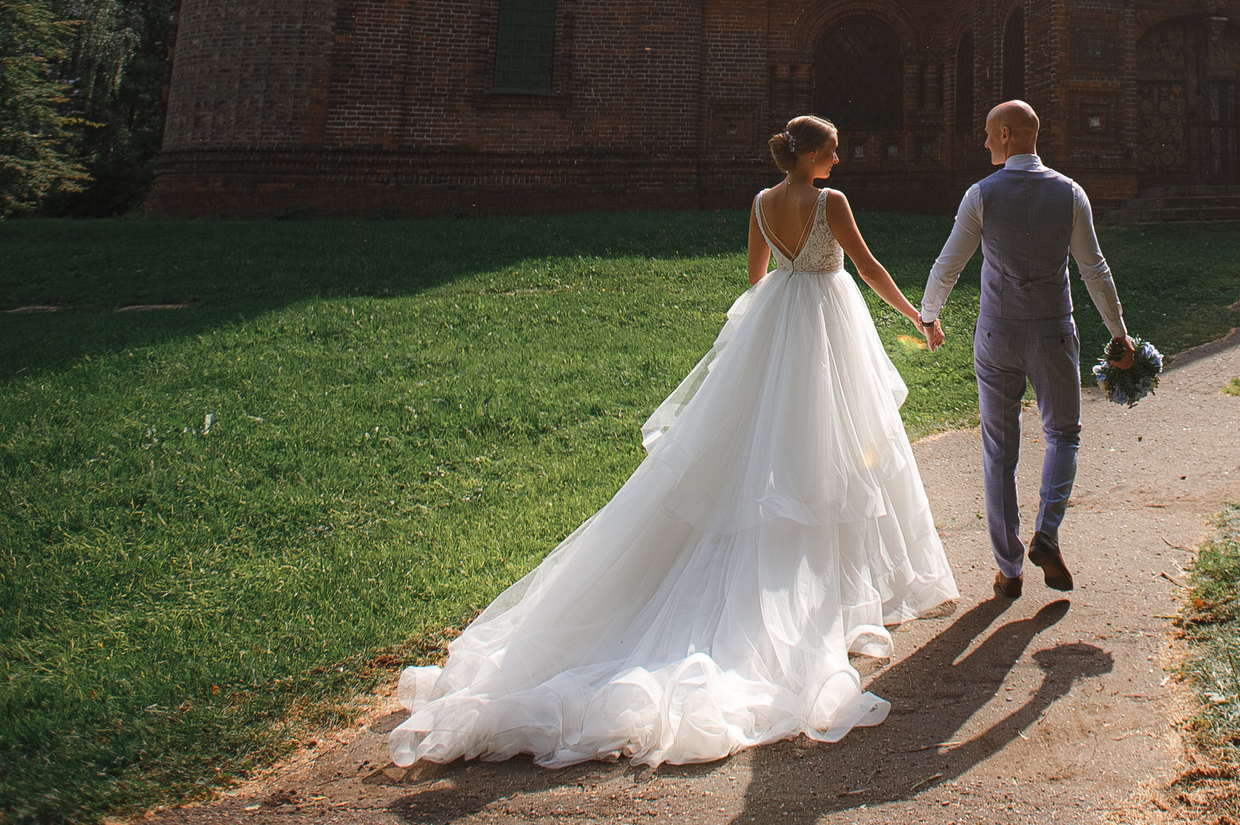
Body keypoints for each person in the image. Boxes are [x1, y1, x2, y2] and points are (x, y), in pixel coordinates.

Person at [388, 115, 957, 770]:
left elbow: (755, 275)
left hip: (777, 324)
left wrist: (780, 310)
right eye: (831, 145)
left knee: (760, 447)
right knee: (830, 446)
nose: (840, 152)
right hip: (828, 324)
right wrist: (916, 316)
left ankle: (800, 571)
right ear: (807, 153)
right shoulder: (831, 201)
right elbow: (870, 265)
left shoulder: (762, 202)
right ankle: (813, 595)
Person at [918, 99, 1133, 599]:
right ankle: (1047, 533)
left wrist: (929, 314)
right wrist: (1118, 330)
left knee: (999, 453)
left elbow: (948, 264)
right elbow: (1093, 268)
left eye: (991, 134)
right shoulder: (1070, 193)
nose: (985, 141)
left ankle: (1009, 570)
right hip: (1053, 332)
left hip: (997, 334)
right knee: (1063, 434)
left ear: (1009, 134)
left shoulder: (981, 195)